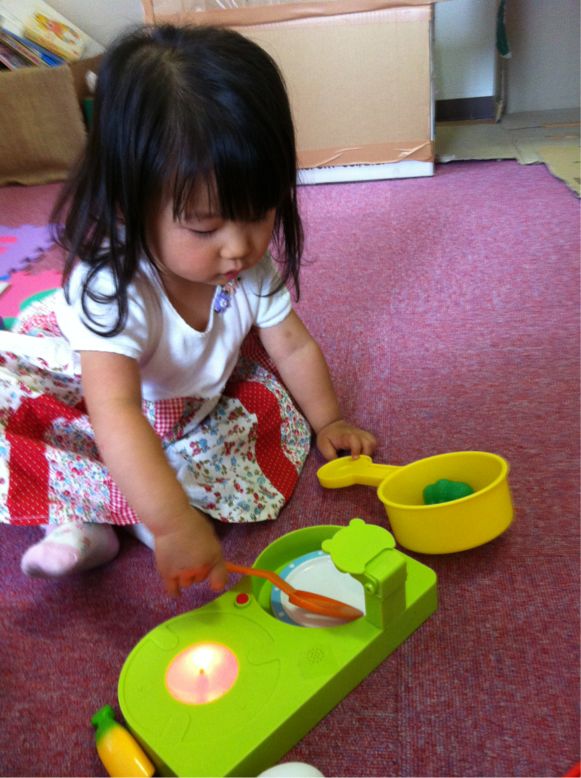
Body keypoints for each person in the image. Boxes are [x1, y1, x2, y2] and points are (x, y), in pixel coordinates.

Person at [0, 24, 376, 595]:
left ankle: (139, 511)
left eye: (260, 213)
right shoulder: (112, 288)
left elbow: (293, 345)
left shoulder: (247, 270)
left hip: (193, 409)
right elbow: (116, 412)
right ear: (128, 205)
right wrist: (173, 524)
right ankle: (79, 526)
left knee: (264, 413)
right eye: (205, 227)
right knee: (31, 428)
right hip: (97, 402)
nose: (240, 247)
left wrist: (329, 421)